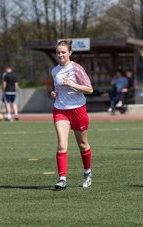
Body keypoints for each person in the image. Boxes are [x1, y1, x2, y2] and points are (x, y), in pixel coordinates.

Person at [50, 39, 93, 190]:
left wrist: (72, 84)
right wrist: (54, 93)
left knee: (82, 144)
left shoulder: (76, 68)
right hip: (60, 110)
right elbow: (56, 89)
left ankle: (87, 172)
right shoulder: (54, 71)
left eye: (63, 52)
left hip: (78, 109)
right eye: (58, 52)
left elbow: (90, 89)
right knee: (62, 144)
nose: (60, 55)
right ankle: (62, 179)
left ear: (70, 53)